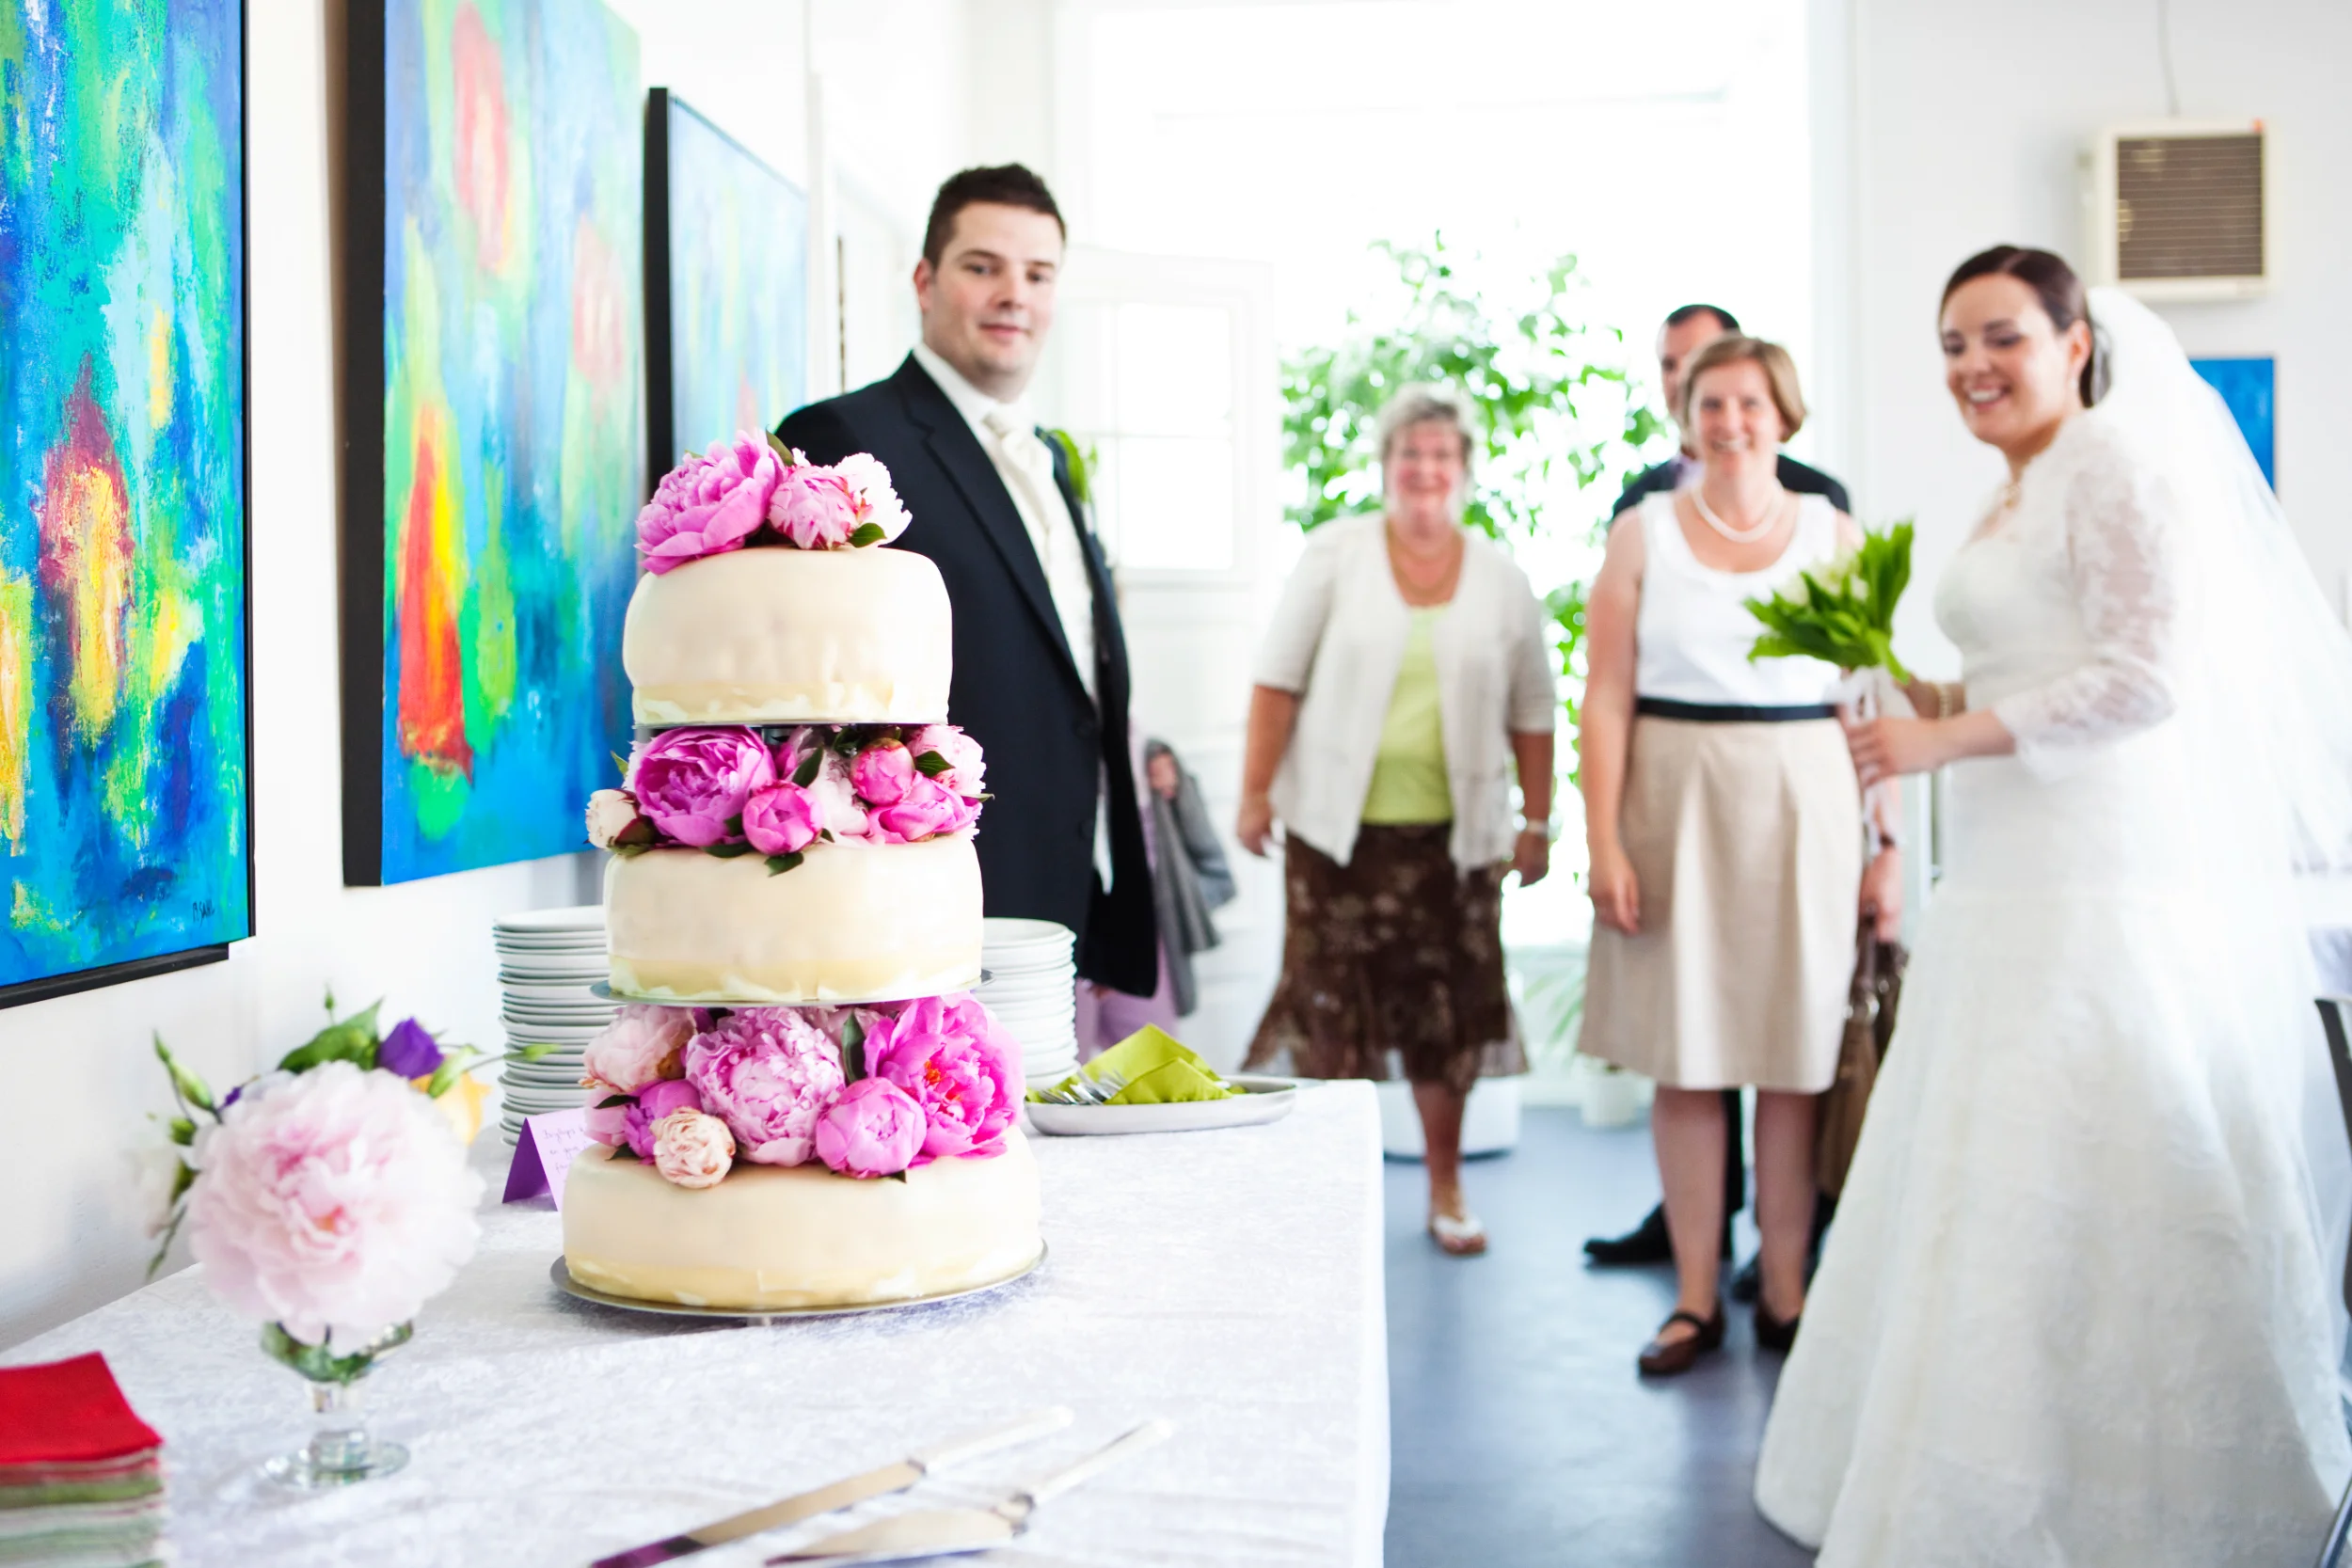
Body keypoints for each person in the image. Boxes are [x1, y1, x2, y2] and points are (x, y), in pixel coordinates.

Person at [1756, 246, 2352, 1565]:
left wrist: (1943, 746)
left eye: (2002, 337)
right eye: (1953, 344)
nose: (1973, 366)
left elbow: (2147, 679)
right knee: (1991, 1141)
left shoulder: (2119, 469)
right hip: (2013, 860)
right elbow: (2032, 665)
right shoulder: (2011, 490)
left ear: (2076, 341)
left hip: (2096, 862)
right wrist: (1919, 698)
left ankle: (2127, 1479)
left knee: (2105, 1122)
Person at [1577, 335, 1898, 1376]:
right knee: (1688, 1054)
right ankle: (1695, 1297)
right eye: (1710, 401)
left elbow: (1868, 696)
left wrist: (1883, 842)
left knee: (1794, 1056)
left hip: (1805, 799)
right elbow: (1606, 694)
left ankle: (1787, 1291)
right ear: (1685, 412)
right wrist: (1603, 838)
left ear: (1783, 412)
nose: (1729, 420)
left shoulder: (1832, 528)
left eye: (1749, 402)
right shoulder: (1642, 533)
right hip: (1674, 799)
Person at [776, 165, 1156, 996]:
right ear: (925, 280)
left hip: (1061, 873)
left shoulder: (1050, 456)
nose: (1013, 294)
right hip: (927, 887)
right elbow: (813, 680)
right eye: (983, 266)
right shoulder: (844, 436)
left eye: (1038, 273)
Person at [1237, 384, 1557, 1256]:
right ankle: (1333, 1196)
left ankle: (1445, 1187)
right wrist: (1255, 791)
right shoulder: (1335, 554)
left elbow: (1535, 707)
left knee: (1441, 1018)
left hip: (1455, 843)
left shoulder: (1501, 577)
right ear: (1386, 466)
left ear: (1465, 471)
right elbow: (1278, 679)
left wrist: (1538, 818)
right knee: (1331, 1012)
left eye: (1441, 456)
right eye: (1409, 454)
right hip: (1335, 837)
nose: (1425, 470)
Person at [1609, 304, 1851, 523]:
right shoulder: (1633, 504)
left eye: (1698, 358)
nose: (1681, 378)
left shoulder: (1820, 498)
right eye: (1669, 365)